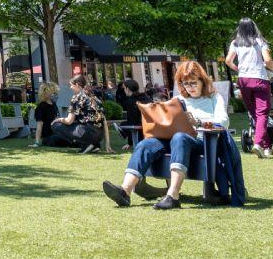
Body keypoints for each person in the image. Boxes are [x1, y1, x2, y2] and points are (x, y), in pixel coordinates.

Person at [101, 59, 229, 211]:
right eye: (185, 84)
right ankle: (125, 191)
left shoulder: (214, 98)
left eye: (193, 83)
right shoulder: (179, 100)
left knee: (180, 137)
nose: (190, 87)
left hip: (203, 142)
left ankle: (173, 195)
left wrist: (199, 123)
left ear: (202, 80)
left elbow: (224, 121)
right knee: (145, 144)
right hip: (174, 140)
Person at [225, 17, 273, 159]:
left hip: (243, 80)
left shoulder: (235, 43)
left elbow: (228, 61)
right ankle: (258, 143)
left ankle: (267, 146)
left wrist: (239, 69)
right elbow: (267, 60)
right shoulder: (260, 41)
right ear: (253, 27)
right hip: (259, 78)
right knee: (262, 113)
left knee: (254, 113)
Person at [41, 74, 104, 153]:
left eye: (71, 85)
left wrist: (58, 119)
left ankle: (85, 144)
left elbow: (69, 120)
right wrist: (108, 145)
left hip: (86, 132)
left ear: (77, 85)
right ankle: (94, 145)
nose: (70, 87)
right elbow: (103, 121)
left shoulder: (76, 97)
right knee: (78, 124)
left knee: (55, 125)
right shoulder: (94, 97)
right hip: (100, 135)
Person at [118, 77, 150, 148]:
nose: (123, 91)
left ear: (128, 89)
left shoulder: (130, 102)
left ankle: (123, 132)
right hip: (150, 127)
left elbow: (132, 122)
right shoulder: (146, 97)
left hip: (140, 130)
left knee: (123, 125)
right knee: (124, 124)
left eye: (124, 89)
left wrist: (130, 143)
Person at [29, 82, 59, 147]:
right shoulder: (41, 107)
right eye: (50, 91)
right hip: (48, 137)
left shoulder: (54, 104)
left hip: (57, 133)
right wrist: (37, 142)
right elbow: (39, 125)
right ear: (44, 92)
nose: (52, 93)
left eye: (53, 90)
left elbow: (56, 119)